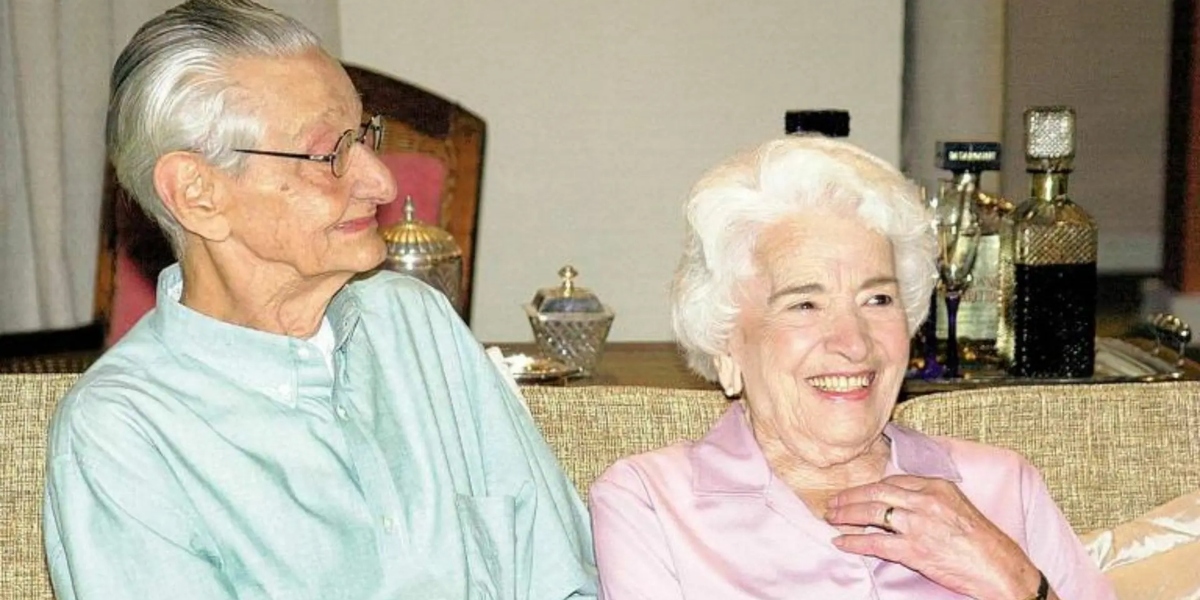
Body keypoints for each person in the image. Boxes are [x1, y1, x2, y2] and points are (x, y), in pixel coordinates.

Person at [42, 1, 596, 598]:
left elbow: (563, 577)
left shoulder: (417, 325)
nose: (382, 181)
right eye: (331, 153)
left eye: (364, 136)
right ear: (197, 192)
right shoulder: (126, 435)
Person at [588, 136, 1115, 599]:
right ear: (727, 343)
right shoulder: (652, 503)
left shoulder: (1001, 485)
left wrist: (1017, 583)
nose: (854, 344)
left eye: (878, 299)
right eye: (804, 304)